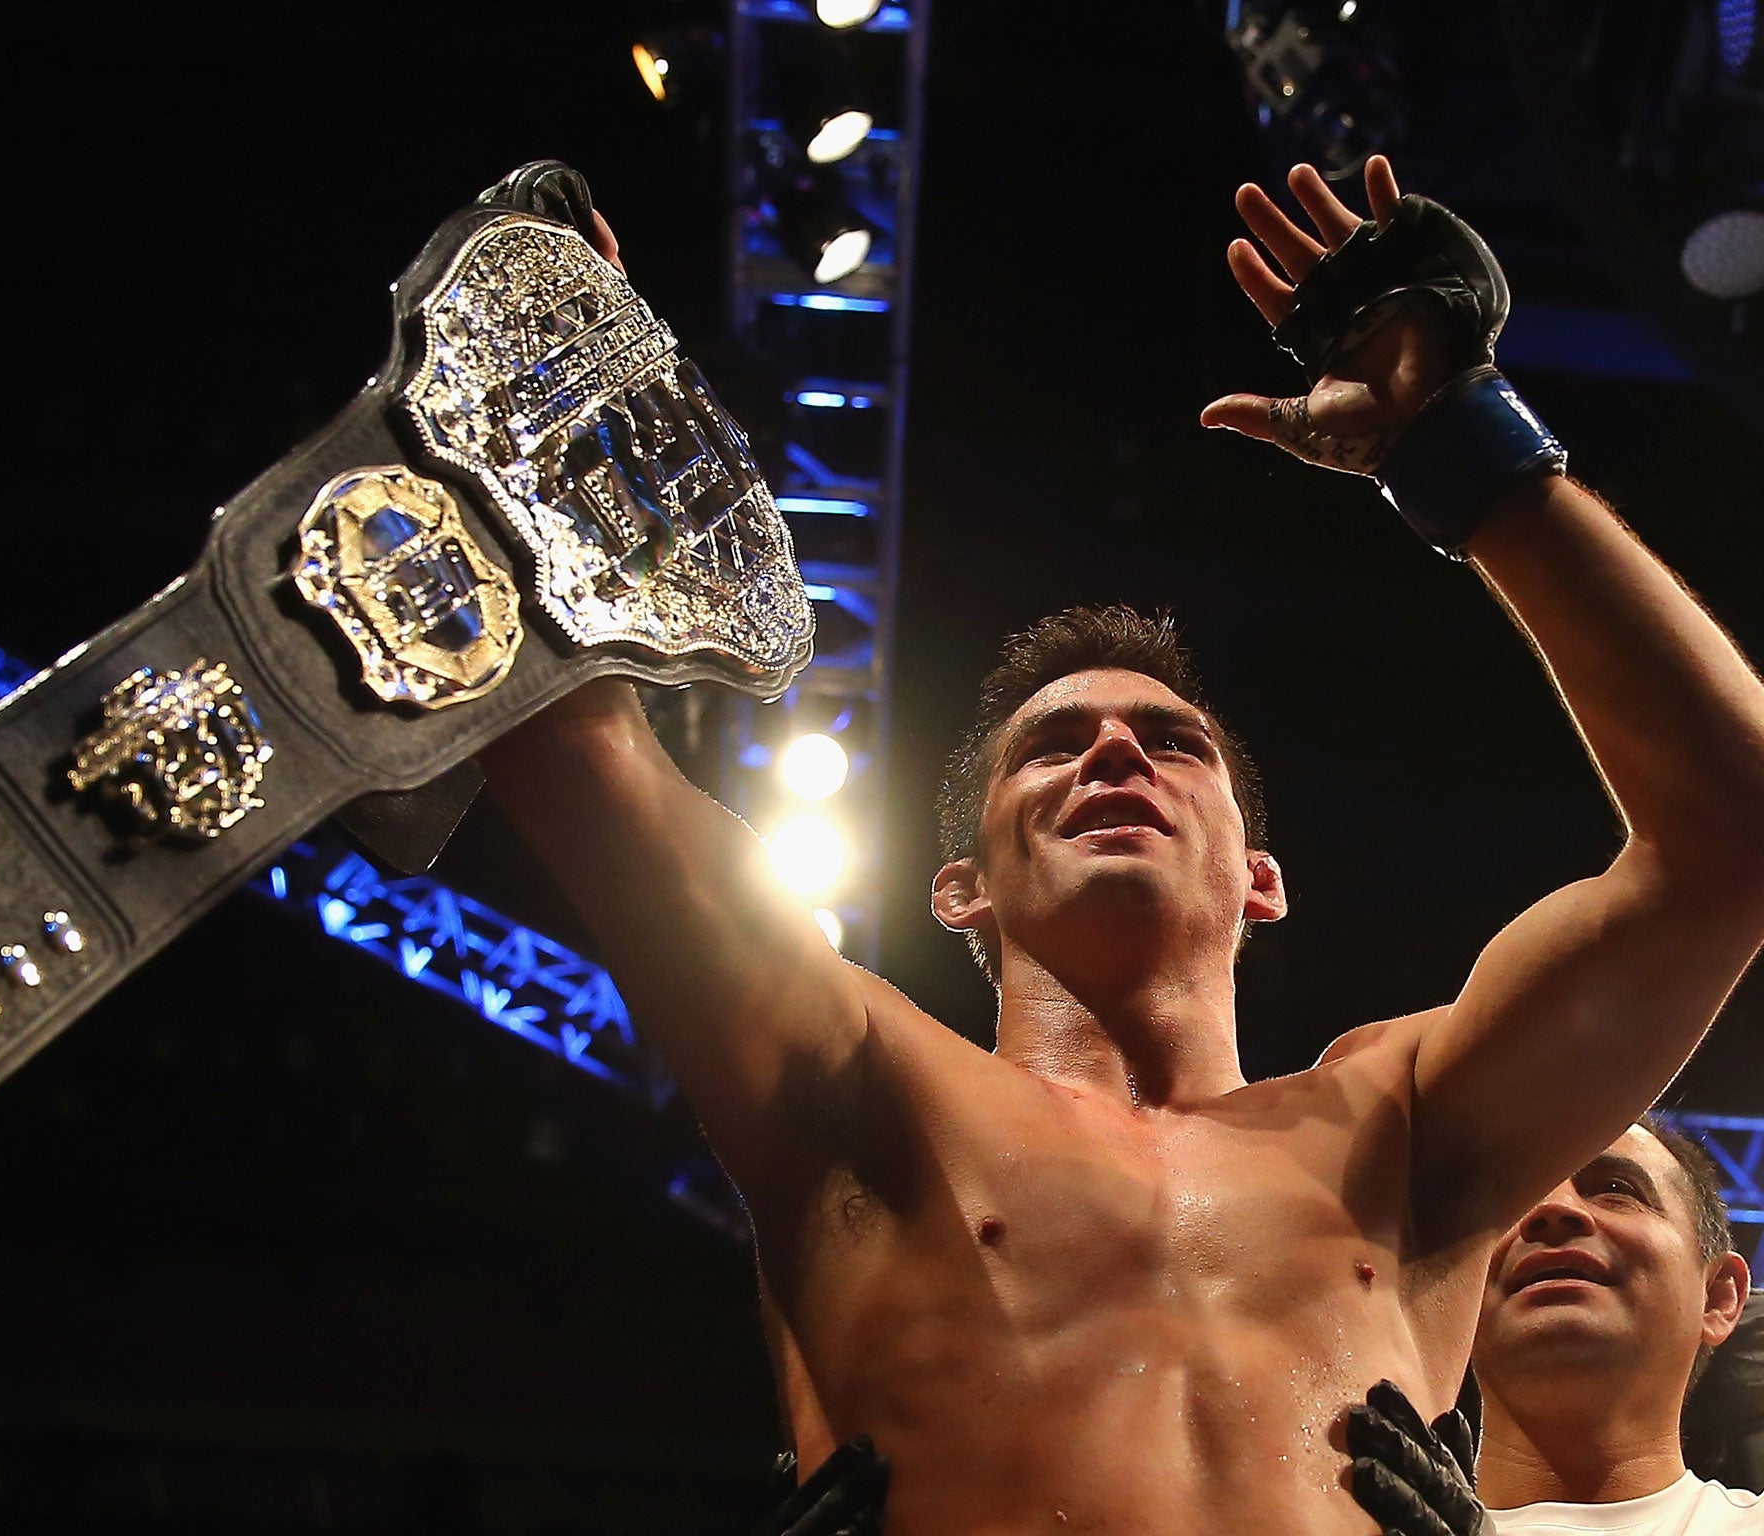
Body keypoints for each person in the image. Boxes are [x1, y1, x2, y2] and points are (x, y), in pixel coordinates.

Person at [480, 156, 1764, 1534]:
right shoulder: (862, 1086)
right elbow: (575, 752)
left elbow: (1735, 840)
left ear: (1261, 878)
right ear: (958, 886)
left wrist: (1468, 449)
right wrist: (531, 414)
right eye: (1052, 746)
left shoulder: (1398, 1128)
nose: (1111, 753)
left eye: (1174, 744)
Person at [1347, 1118, 1760, 1534]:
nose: (1551, 1210)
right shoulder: (1334, 1521)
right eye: (1514, 1199)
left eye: (1615, 1189)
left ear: (1718, 1297)